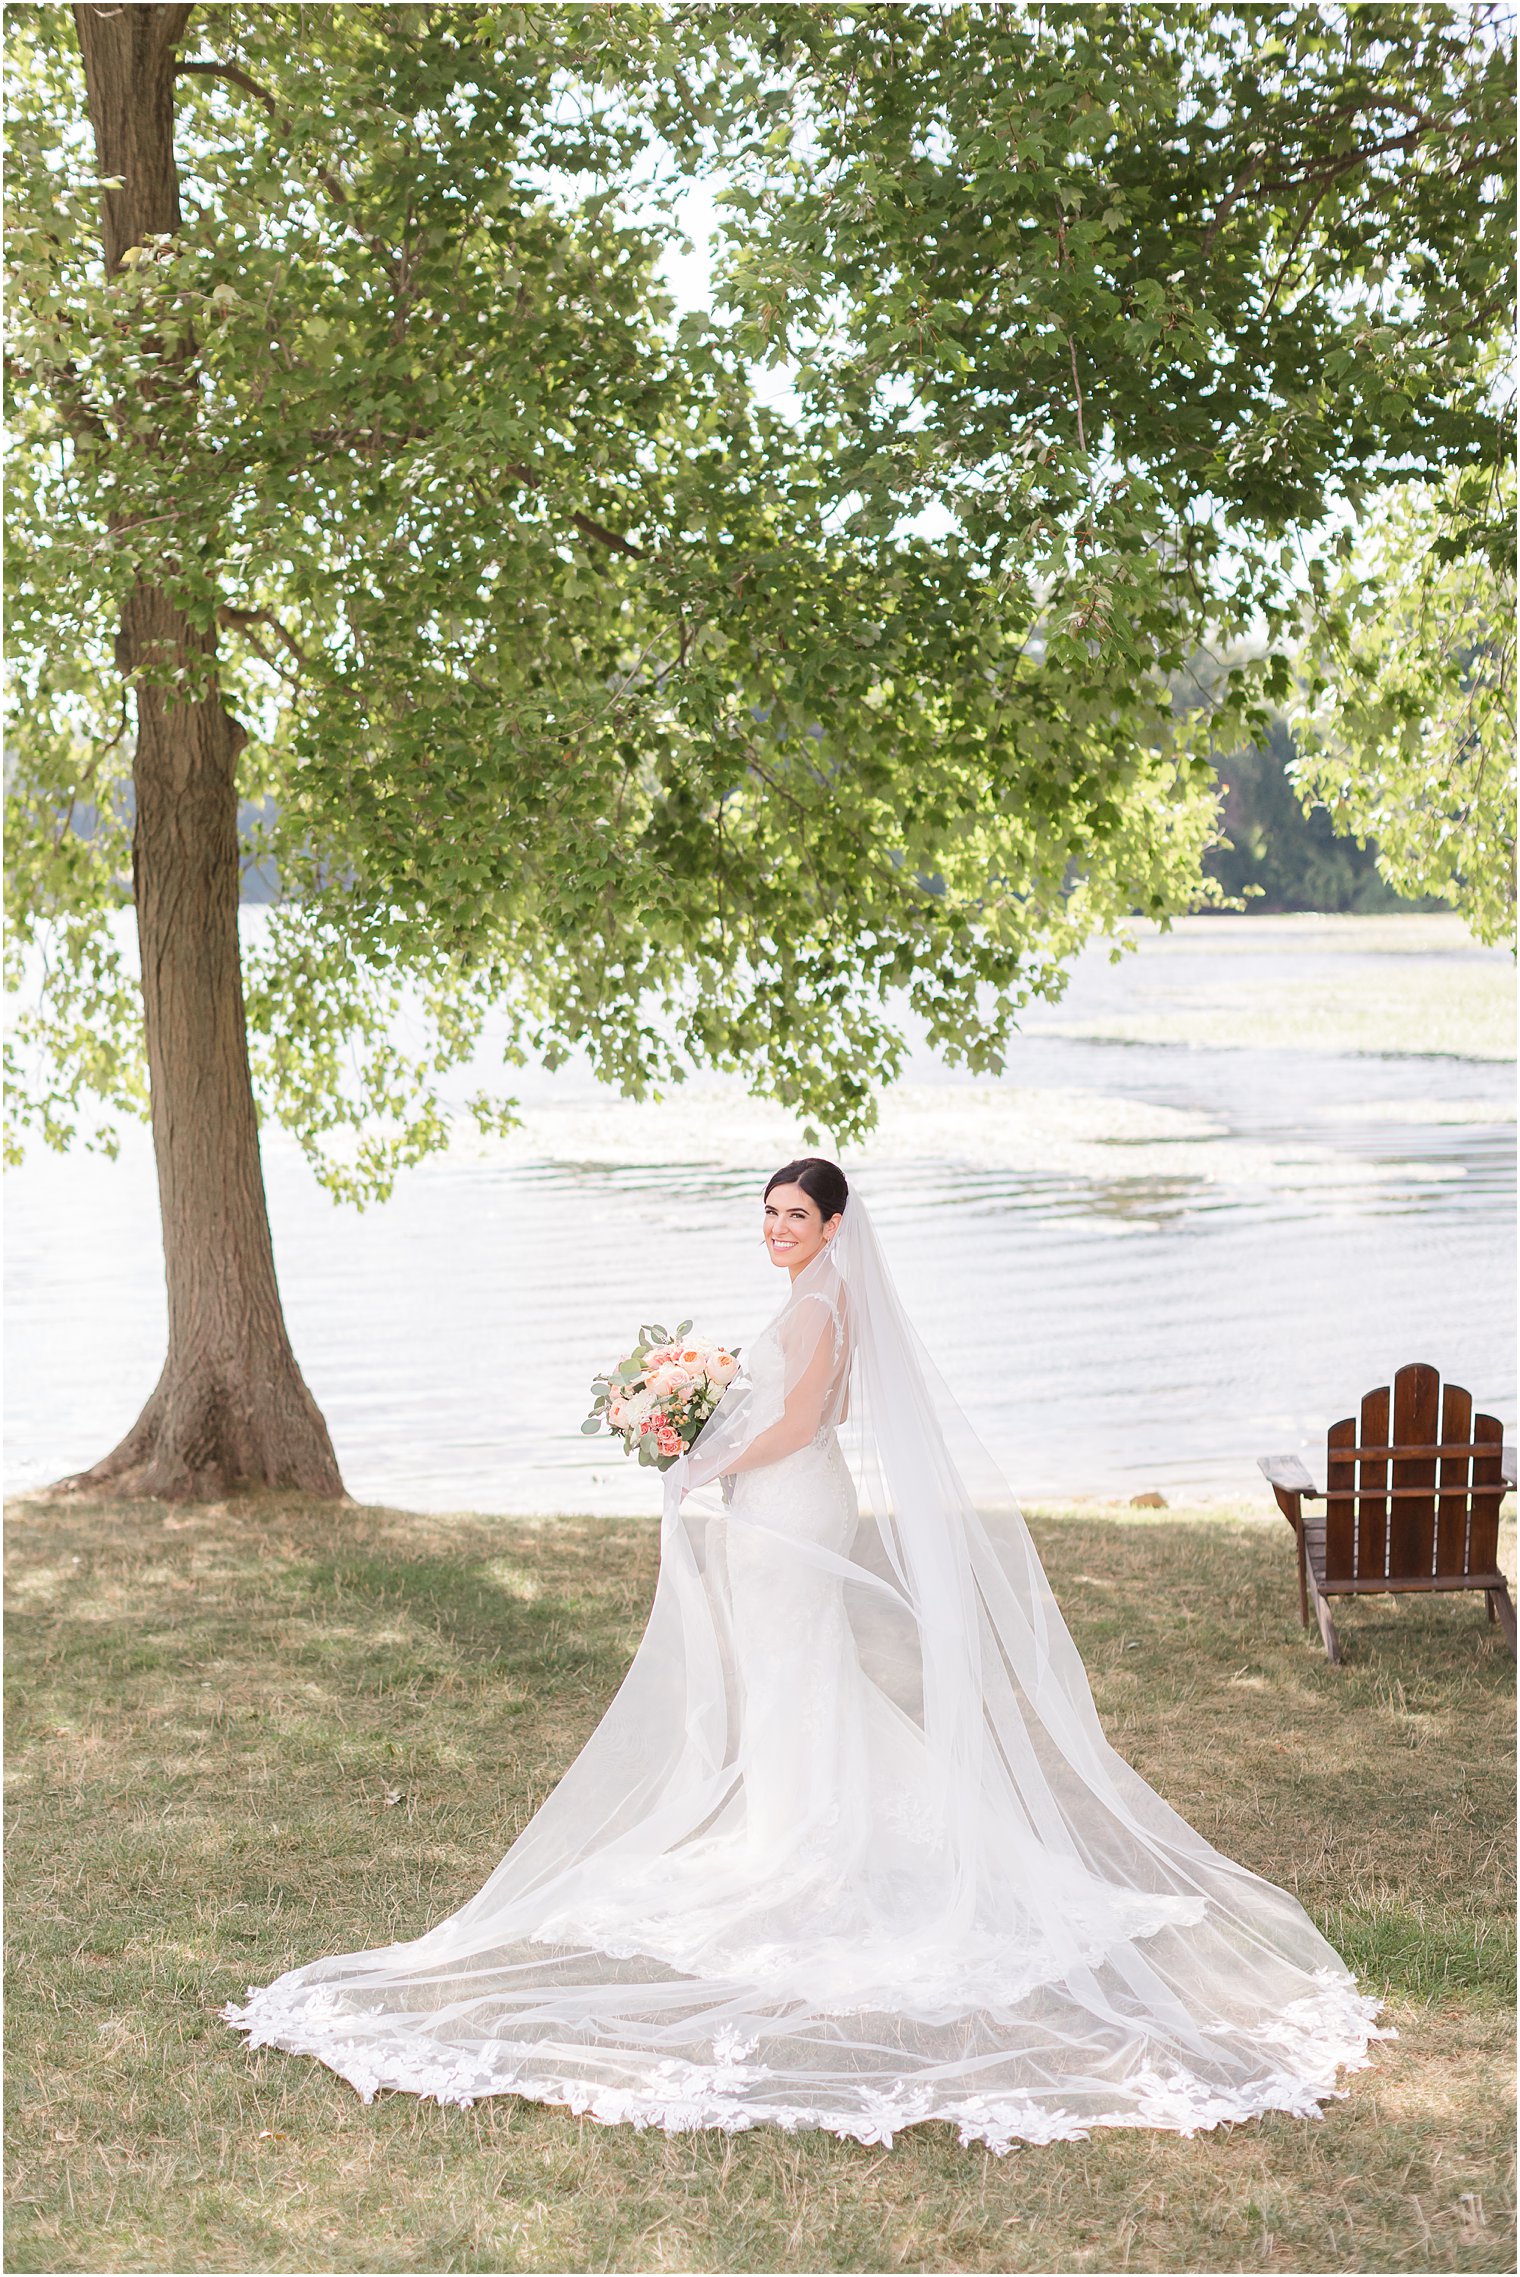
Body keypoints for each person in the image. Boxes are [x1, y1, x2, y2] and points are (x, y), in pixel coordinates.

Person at [223, 1158, 1389, 2151]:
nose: (777, 1228)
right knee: (795, 1678)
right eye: (768, 1212)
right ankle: (797, 1824)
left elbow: (796, 1423)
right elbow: (773, 1409)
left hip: (787, 1506)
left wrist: (702, 1461)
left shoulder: (822, 1307)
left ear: (834, 1227)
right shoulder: (811, 1297)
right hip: (780, 1504)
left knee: (790, 1673)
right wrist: (688, 1418)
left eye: (795, 1214)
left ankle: (810, 1843)